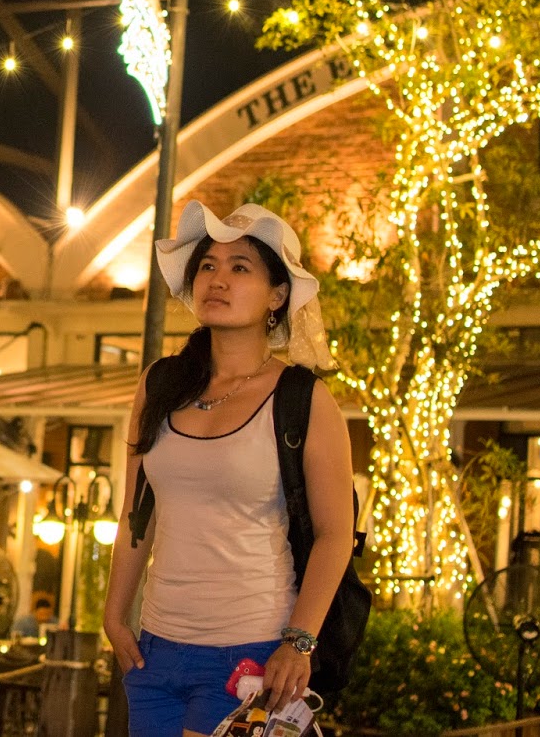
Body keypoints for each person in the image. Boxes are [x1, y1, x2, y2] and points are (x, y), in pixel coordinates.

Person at [102, 201, 354, 737]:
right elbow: (135, 513)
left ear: (277, 295)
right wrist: (114, 614)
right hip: (155, 650)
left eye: (240, 267)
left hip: (253, 653)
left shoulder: (304, 400)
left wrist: (298, 641)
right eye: (208, 265)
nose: (217, 279)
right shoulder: (161, 384)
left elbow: (337, 533)